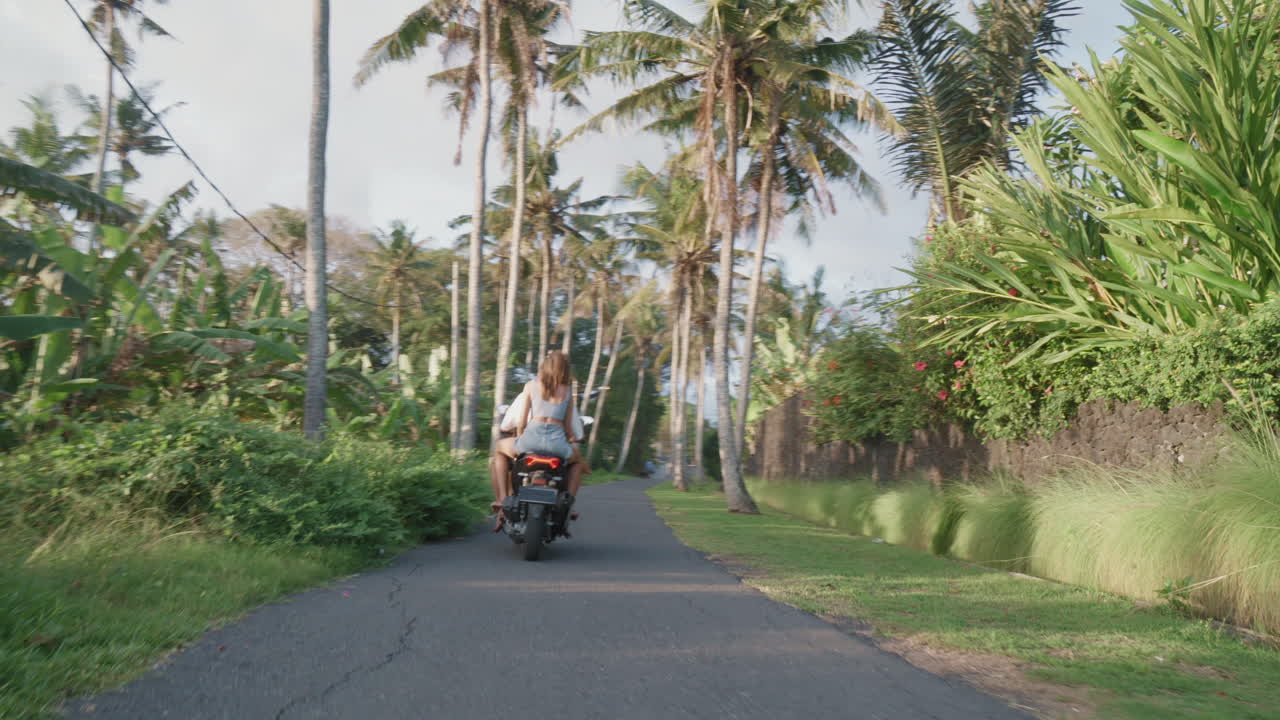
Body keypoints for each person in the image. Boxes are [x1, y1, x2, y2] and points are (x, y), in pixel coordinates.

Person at [489, 350, 588, 528]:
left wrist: (520, 436)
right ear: (565, 370)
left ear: (545, 366)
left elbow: (521, 420)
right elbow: (567, 426)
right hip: (557, 444)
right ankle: (568, 505)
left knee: (499, 448)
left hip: (531, 439)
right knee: (578, 463)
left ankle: (503, 501)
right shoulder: (567, 391)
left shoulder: (531, 385)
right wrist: (572, 438)